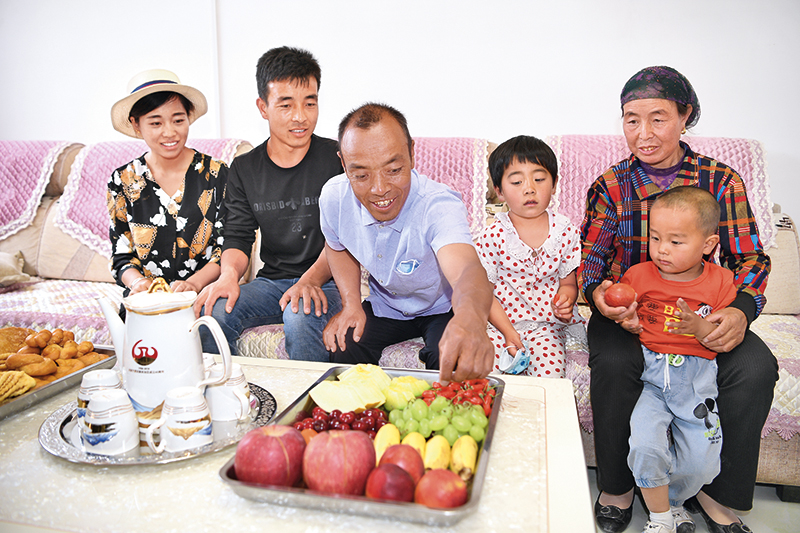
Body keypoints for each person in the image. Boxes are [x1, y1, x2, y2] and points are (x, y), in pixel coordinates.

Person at [579, 65, 778, 533]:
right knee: (614, 363)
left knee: (755, 367)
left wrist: (740, 310)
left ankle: (714, 492)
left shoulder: (721, 181)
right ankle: (617, 486)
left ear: (685, 117)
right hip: (630, 313)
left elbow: (750, 259)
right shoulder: (612, 185)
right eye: (632, 120)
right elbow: (592, 262)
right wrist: (600, 295)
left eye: (658, 118)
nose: (643, 133)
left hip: (700, 313)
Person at [319, 103, 494, 382]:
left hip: (440, 307)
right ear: (343, 163)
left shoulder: (437, 204)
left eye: (393, 169)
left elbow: (467, 270)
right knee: (345, 345)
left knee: (453, 357)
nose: (379, 189)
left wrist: (471, 319)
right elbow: (337, 247)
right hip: (385, 306)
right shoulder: (334, 197)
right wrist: (351, 304)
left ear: (412, 153)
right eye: (361, 175)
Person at [194, 47, 342, 361]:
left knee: (300, 315)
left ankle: (310, 395)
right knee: (214, 312)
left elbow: (347, 237)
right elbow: (238, 236)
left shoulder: (337, 159)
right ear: (263, 107)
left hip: (330, 280)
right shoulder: (245, 168)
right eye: (286, 105)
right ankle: (225, 390)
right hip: (272, 283)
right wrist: (228, 276)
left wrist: (310, 281)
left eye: (310, 103)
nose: (300, 116)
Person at [619, 187, 737, 533]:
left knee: (703, 461)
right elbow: (626, 312)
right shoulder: (638, 275)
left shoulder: (721, 282)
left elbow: (722, 336)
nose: (662, 249)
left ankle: (674, 503)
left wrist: (698, 327)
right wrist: (626, 319)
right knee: (644, 446)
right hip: (651, 380)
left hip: (697, 382)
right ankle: (659, 518)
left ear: (708, 244)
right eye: (655, 238)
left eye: (675, 241)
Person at [108, 69, 227, 307]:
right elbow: (121, 255)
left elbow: (227, 248)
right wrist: (138, 283)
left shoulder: (216, 173)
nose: (170, 132)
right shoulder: (123, 180)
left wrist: (193, 284)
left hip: (205, 295)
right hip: (146, 302)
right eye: (156, 123)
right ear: (136, 124)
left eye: (178, 120)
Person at [475, 135, 582, 377]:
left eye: (539, 179)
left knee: (551, 376)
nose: (529, 188)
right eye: (516, 182)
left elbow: (568, 284)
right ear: (499, 191)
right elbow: (484, 295)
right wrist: (508, 332)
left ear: (554, 185)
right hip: (500, 325)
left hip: (546, 327)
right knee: (487, 375)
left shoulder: (565, 231)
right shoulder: (492, 236)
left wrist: (565, 301)